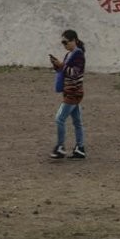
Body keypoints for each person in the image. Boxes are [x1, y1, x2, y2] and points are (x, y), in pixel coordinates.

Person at [49, 30, 86, 159]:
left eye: (66, 42)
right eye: (63, 42)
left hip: (73, 92)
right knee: (77, 122)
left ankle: (60, 147)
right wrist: (56, 65)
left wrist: (61, 65)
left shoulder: (78, 55)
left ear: (74, 40)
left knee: (59, 119)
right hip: (71, 91)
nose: (64, 45)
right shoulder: (68, 55)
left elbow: (74, 72)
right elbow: (64, 70)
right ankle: (80, 148)